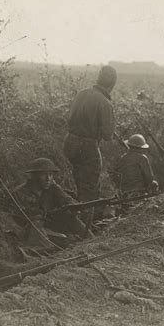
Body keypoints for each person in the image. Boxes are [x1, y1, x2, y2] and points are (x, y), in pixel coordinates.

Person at [63, 65, 117, 226]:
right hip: (87, 146)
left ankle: (75, 219)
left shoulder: (81, 94)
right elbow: (108, 135)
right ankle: (84, 229)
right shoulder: (105, 103)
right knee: (90, 190)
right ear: (112, 84)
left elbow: (70, 118)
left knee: (79, 182)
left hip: (69, 142)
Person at [11, 158, 87, 240]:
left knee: (70, 218)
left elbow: (66, 198)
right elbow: (19, 219)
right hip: (32, 230)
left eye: (50, 175)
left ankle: (90, 240)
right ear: (34, 176)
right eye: (44, 175)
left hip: (50, 225)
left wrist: (74, 207)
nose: (48, 179)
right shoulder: (20, 192)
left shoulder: (52, 187)